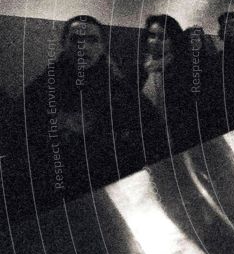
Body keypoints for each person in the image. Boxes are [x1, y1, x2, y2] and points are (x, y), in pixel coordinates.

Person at [12, 15, 142, 215]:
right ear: (63, 43)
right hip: (51, 189)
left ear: (102, 46)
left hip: (104, 187)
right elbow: (18, 130)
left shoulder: (119, 90)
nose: (84, 47)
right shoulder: (43, 86)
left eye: (92, 40)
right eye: (76, 40)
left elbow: (146, 134)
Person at [138, 14, 196, 161]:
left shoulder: (183, 71)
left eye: (162, 37)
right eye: (152, 36)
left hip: (174, 143)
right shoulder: (139, 69)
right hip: (144, 142)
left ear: (173, 41)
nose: (155, 41)